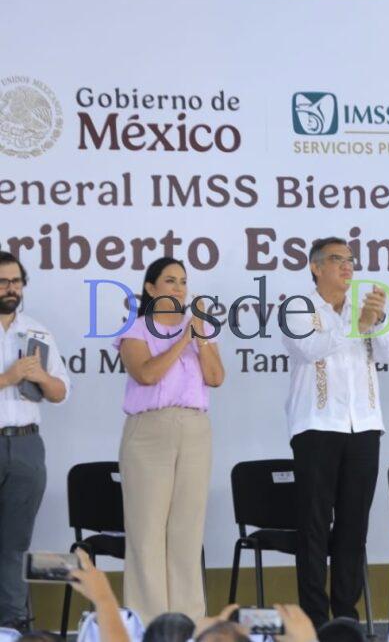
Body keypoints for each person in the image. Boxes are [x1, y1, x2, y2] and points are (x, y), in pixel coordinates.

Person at [281, 236, 389, 628]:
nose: (347, 266)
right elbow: (309, 350)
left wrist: (375, 322)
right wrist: (356, 325)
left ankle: (345, 618)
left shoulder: (361, 307)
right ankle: (315, 621)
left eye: (350, 259)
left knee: (353, 526)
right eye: (337, 259)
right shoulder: (297, 307)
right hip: (317, 427)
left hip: (363, 426)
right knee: (314, 528)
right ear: (315, 267)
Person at [114, 257, 224, 624]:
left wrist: (200, 336)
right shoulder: (136, 328)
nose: (179, 288)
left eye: (183, 281)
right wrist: (183, 340)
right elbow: (147, 375)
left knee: (187, 529)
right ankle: (148, 621)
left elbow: (215, 377)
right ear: (151, 288)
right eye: (170, 280)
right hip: (150, 431)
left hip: (194, 429)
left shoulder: (199, 329)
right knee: (147, 531)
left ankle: (186, 621)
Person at [0, 251, 70, 629]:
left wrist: (41, 377)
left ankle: (13, 626)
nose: (10, 289)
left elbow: (60, 392)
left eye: (16, 281)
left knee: (14, 544)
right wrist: (7, 379)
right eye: (2, 282)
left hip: (27, 446)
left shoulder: (37, 332)